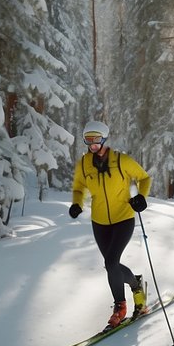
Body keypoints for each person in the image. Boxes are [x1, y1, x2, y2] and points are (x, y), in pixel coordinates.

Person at [69, 120, 153, 328]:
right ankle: (136, 285)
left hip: (123, 218)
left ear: (104, 138)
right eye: (89, 139)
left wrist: (141, 197)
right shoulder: (84, 164)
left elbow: (144, 178)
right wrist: (77, 204)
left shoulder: (121, 160)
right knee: (110, 265)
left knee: (111, 263)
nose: (93, 143)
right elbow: (79, 187)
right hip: (99, 222)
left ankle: (120, 307)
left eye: (96, 138)